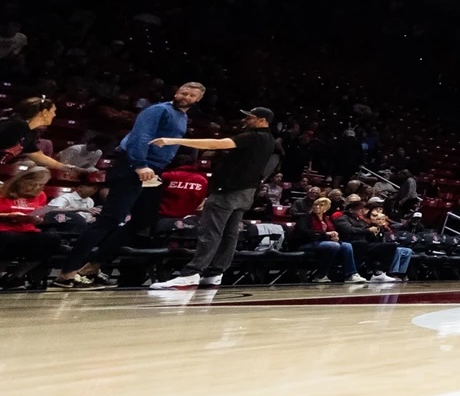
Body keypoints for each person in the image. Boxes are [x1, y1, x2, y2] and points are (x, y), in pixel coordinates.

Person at [52, 80, 206, 288]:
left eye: (191, 96)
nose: (186, 97)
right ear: (177, 92)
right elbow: (140, 137)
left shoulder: (183, 117)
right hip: (134, 166)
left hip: (154, 170)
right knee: (110, 218)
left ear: (198, 99)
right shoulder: (158, 110)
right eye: (183, 93)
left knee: (145, 219)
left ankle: (94, 265)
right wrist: (139, 164)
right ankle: (67, 271)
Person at [149, 107, 280, 290]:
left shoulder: (252, 136)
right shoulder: (270, 140)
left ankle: (192, 273)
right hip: (246, 192)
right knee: (230, 234)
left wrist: (173, 141)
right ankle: (215, 273)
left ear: (262, 120)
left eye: (250, 117)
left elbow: (215, 144)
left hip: (229, 191)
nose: (246, 120)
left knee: (210, 232)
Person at [0, 96, 68, 176]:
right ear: (45, 112)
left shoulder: (29, 133)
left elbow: (38, 156)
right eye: (53, 111)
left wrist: (68, 168)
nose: (55, 115)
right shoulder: (17, 124)